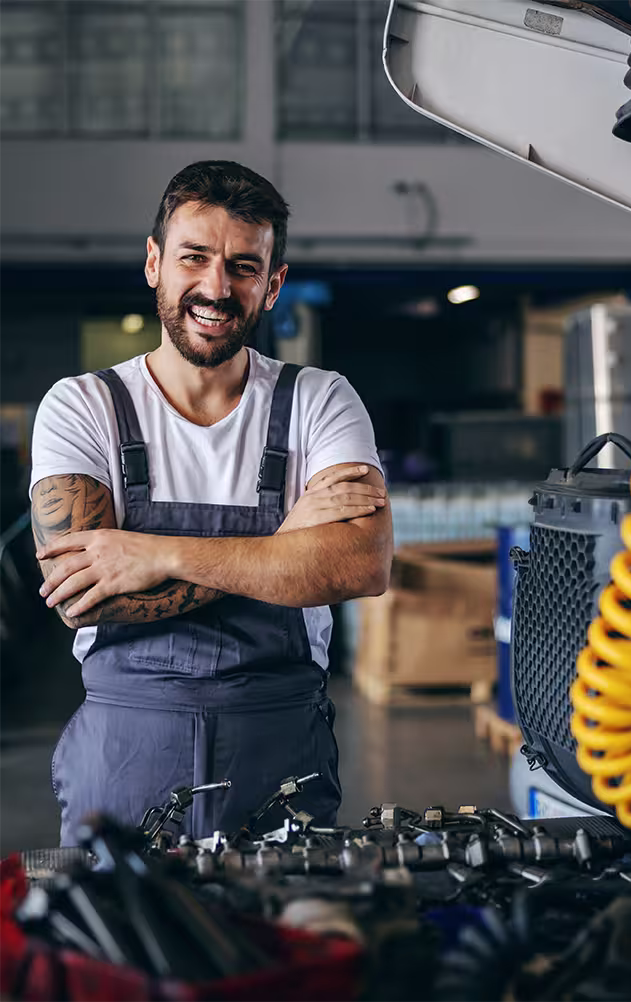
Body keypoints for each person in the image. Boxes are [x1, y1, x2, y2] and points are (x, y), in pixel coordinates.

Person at [30, 161, 393, 846]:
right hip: (125, 753)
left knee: (275, 942)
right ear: (154, 263)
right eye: (194, 258)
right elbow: (84, 595)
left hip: (280, 749)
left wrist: (152, 551)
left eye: (244, 266)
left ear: (273, 284)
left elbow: (357, 566)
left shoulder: (319, 400)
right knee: (120, 942)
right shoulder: (82, 406)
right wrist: (285, 550)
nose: (216, 288)